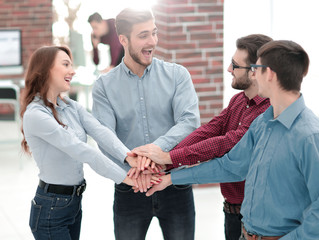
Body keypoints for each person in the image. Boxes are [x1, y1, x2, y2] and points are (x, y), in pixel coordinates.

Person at [145, 40, 319, 239]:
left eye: (256, 68)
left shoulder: (310, 137)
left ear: (269, 74)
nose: (253, 74)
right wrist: (169, 179)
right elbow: (230, 167)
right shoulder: (262, 123)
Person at [132, 34, 272, 240]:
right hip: (232, 212)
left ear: (254, 72)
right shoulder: (239, 101)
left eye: (235, 65)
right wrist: (163, 161)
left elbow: (226, 143)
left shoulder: (267, 111)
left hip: (256, 219)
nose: (229, 69)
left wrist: (168, 159)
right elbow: (210, 130)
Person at [20, 46, 155, 240]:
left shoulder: (70, 106)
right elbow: (83, 151)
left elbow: (100, 132)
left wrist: (129, 158)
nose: (72, 71)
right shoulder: (36, 115)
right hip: (51, 208)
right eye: (65, 64)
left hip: (73, 203)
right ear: (46, 69)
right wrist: (128, 178)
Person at [92, 8, 200, 240]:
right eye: (143, 35)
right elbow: (103, 134)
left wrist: (153, 153)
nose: (152, 41)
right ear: (123, 40)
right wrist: (133, 162)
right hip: (130, 186)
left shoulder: (177, 75)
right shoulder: (104, 86)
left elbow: (189, 121)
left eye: (154, 32)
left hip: (175, 184)